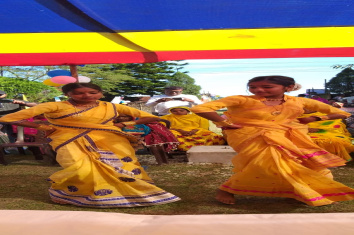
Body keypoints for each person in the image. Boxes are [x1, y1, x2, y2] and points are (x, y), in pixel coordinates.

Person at [0, 83, 180, 208]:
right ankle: (77, 195)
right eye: (79, 93)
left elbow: (151, 117)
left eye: (92, 93)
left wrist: (124, 124)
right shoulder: (54, 106)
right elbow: (7, 118)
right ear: (68, 94)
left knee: (122, 165)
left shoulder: (112, 107)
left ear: (100, 93)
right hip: (68, 140)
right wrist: (41, 126)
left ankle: (129, 193)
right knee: (80, 168)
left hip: (110, 139)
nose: (86, 96)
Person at [190, 75, 354, 206]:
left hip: (289, 135)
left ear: (288, 88)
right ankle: (227, 189)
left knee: (300, 164)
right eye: (253, 87)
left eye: (267, 87)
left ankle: (296, 189)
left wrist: (315, 117)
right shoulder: (242, 99)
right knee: (267, 162)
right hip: (250, 134)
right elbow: (199, 108)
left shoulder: (299, 101)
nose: (258, 90)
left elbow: (340, 113)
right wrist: (223, 122)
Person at [161, 107, 225, 151]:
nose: (178, 112)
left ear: (187, 111)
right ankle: (182, 149)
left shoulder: (198, 116)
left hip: (197, 130)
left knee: (212, 135)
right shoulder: (166, 117)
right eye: (174, 111)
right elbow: (164, 127)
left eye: (181, 110)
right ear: (171, 112)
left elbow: (203, 127)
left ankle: (207, 147)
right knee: (172, 135)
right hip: (176, 131)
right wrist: (181, 131)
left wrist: (194, 131)